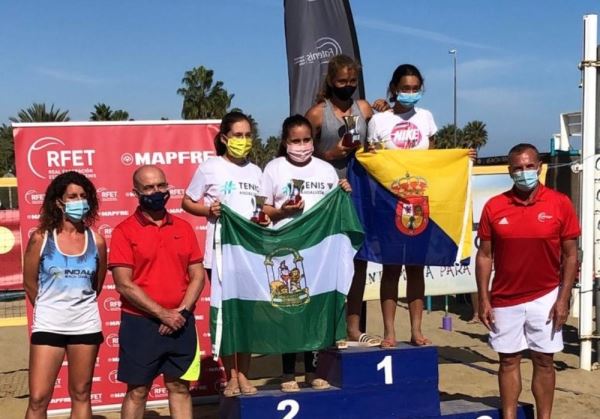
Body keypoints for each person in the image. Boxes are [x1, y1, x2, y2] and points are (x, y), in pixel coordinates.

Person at [476, 143, 580, 419]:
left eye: (529, 166)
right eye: (518, 168)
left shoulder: (560, 203)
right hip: (504, 297)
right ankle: (509, 415)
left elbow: (571, 256)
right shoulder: (494, 206)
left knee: (544, 360)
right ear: (510, 172)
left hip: (546, 296)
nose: (524, 173)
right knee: (508, 360)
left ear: (540, 167)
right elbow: (484, 256)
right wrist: (483, 298)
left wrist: (563, 299)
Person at [261, 114, 351, 392]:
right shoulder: (273, 169)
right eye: (295, 141)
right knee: (289, 310)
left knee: (315, 311)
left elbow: (333, 208)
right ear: (285, 142)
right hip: (286, 249)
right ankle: (288, 373)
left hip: (320, 252)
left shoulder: (326, 170)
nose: (301, 146)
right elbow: (262, 210)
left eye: (306, 140)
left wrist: (343, 192)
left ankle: (313, 371)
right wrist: (281, 212)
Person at [110, 165, 205, 419]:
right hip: (141, 324)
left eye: (161, 185)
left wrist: (182, 312)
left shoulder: (184, 228)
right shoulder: (123, 231)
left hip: (181, 322)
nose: (157, 191)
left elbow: (197, 275)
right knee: (138, 391)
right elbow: (124, 284)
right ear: (136, 192)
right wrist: (163, 314)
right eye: (149, 187)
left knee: (179, 388)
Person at [182, 111, 264, 397]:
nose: (243, 140)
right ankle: (230, 375)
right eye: (237, 135)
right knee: (227, 315)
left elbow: (262, 209)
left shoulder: (256, 171)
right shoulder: (210, 167)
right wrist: (208, 210)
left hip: (251, 254)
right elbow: (187, 201)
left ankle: (245, 374)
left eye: (247, 135)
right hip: (219, 253)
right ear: (225, 138)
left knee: (249, 317)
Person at [305, 54, 380, 347]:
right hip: (326, 193)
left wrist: (381, 110)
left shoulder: (363, 109)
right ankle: (325, 328)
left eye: (352, 81)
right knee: (326, 262)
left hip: (360, 191)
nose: (347, 86)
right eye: (341, 82)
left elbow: (381, 135)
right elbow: (298, 154)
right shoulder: (316, 114)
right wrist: (329, 156)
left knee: (357, 262)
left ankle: (353, 326)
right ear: (330, 82)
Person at [23, 171, 106, 419]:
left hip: (85, 324)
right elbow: (29, 283)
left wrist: (76, 306)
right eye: (72, 196)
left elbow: (97, 285)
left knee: (81, 394)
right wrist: (52, 308)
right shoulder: (41, 237)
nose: (79, 201)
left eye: (83, 196)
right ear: (59, 201)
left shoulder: (97, 240)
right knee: (38, 398)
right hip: (49, 324)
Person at [365, 63, 437, 347]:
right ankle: (389, 332)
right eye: (405, 88)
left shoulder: (427, 117)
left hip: (419, 201)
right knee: (391, 268)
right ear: (394, 88)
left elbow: (434, 157)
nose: (410, 93)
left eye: (415, 88)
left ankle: (417, 330)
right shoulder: (379, 121)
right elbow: (371, 158)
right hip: (387, 202)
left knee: (416, 268)